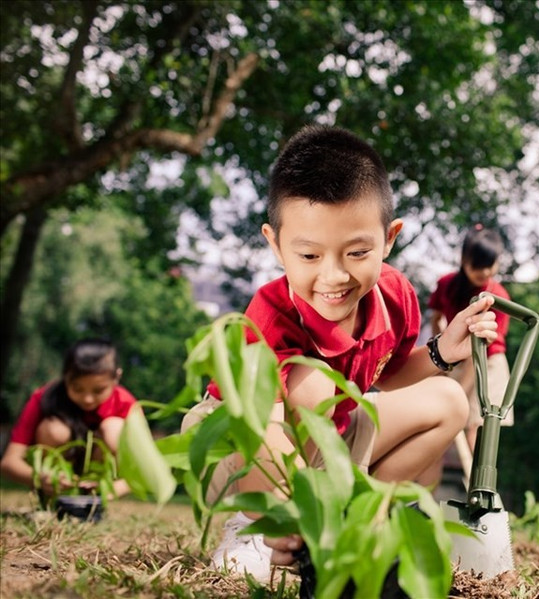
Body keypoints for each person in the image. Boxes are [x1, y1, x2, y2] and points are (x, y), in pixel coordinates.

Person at [182, 124, 498, 581]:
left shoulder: (395, 296)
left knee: (448, 398)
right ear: (275, 244)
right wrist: (287, 514)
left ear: (388, 239)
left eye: (356, 252)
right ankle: (253, 529)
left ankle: (354, 521)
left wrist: (444, 351)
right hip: (243, 444)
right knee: (311, 386)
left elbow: (386, 380)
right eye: (309, 256)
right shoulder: (268, 317)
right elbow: (263, 434)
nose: (333, 276)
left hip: (333, 438)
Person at [0, 338, 137, 500]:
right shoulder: (44, 398)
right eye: (77, 389)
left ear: (116, 377)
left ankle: (92, 498)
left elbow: (145, 467)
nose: (87, 399)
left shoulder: (127, 404)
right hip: (56, 483)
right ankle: (52, 499)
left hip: (99, 485)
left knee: (114, 428)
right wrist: (40, 479)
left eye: (98, 390)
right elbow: (9, 462)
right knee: (53, 429)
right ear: (65, 377)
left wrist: (113, 488)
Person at [426, 225, 512, 456]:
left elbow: (482, 350)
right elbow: (436, 319)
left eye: (489, 265)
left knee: (480, 425)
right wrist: (441, 356)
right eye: (477, 265)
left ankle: (482, 487)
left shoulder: (498, 297)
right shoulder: (446, 284)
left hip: (488, 362)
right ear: (464, 259)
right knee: (446, 423)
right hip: (457, 359)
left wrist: (461, 389)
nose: (484, 272)